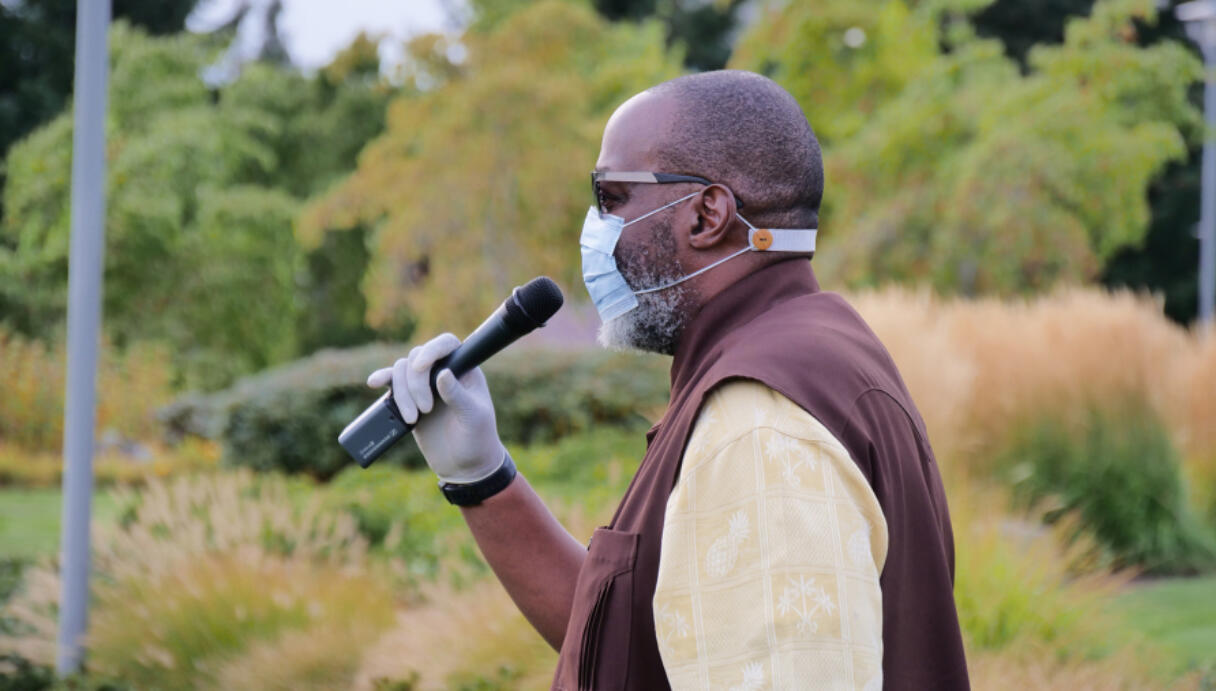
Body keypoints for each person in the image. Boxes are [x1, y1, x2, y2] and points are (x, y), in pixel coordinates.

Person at [367, 70, 970, 690]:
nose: (593, 230)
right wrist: (480, 475)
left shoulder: (758, 424)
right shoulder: (808, 351)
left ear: (707, 215)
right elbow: (630, 645)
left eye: (610, 198)